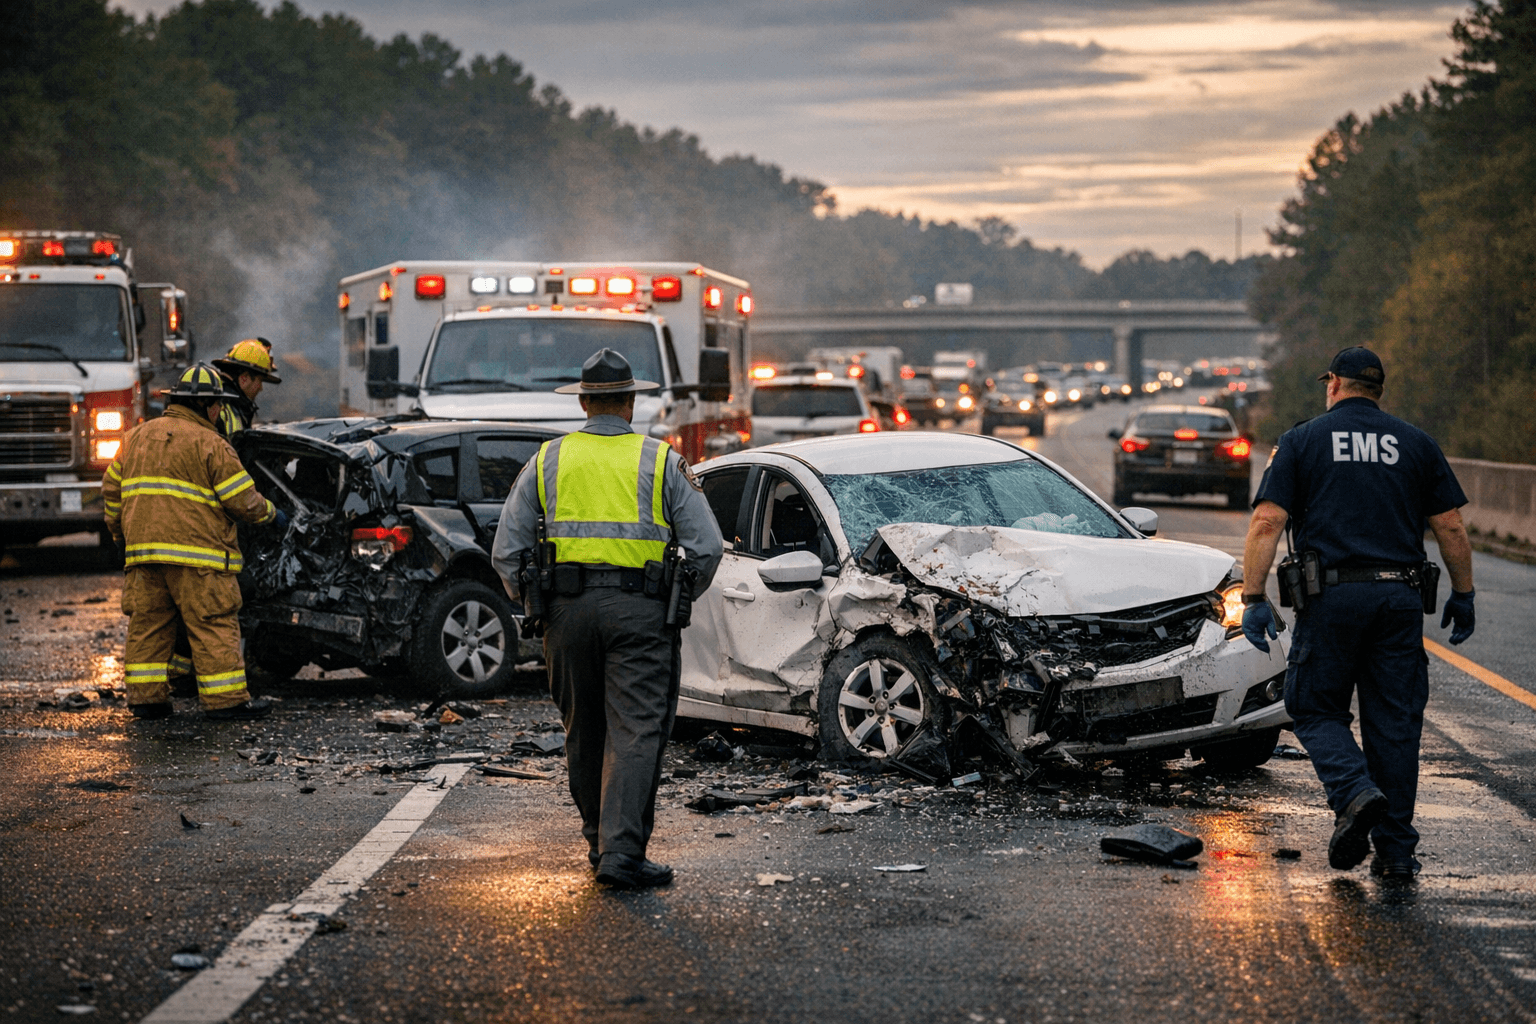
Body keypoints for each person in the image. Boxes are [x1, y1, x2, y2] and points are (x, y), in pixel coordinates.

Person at [1240, 346, 1475, 881]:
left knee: (1313, 706)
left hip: (1332, 600)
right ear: (1377, 390)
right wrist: (1464, 594)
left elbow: (1266, 523)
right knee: (1394, 727)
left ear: (1335, 385)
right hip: (1399, 600)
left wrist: (1254, 599)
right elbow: (1452, 528)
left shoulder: (1300, 442)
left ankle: (1353, 790)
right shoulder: (1416, 443)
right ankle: (1394, 855)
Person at [492, 349, 723, 889]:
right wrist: (679, 595)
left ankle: (599, 841)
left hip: (565, 615)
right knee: (636, 730)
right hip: (642, 613)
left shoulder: (547, 460)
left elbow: (507, 551)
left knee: (584, 729)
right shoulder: (660, 459)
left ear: (581, 401)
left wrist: (535, 604)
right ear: (630, 402)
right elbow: (707, 547)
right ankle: (622, 854)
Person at [102, 362, 288, 721]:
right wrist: (272, 515)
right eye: (217, 404)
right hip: (199, 559)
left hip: (144, 555)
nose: (220, 410)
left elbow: (112, 493)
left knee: (149, 626)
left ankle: (147, 701)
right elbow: (242, 501)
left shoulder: (134, 438)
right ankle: (226, 703)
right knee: (213, 624)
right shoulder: (212, 444)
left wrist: (120, 536)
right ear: (206, 405)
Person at [212, 337, 281, 437]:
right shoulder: (221, 408)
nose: (261, 388)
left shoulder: (229, 405)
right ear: (245, 378)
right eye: (260, 381)